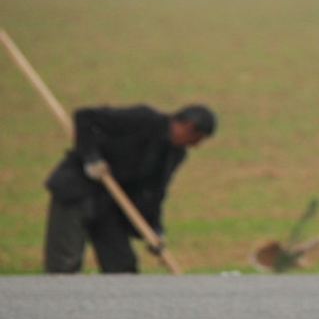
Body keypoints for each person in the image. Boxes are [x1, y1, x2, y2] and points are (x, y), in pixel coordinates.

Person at [43, 104, 217, 274]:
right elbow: (85, 117)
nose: (195, 145)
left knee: (122, 266)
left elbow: (154, 192)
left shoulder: (175, 153)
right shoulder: (144, 119)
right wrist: (91, 158)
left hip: (112, 204)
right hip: (77, 193)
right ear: (187, 126)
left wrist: (154, 229)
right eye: (197, 138)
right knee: (65, 264)